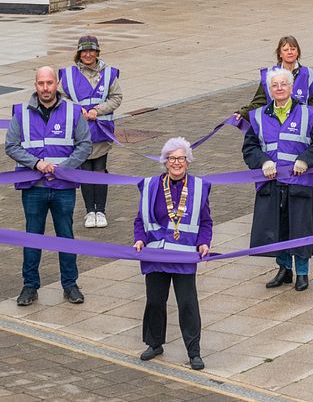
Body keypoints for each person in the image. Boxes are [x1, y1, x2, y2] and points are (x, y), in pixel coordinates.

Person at [5, 66, 92, 306]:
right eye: (41, 83)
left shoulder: (73, 112)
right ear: (35, 85)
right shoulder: (21, 113)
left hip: (63, 186)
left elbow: (85, 145)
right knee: (33, 236)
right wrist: (36, 164)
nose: (45, 88)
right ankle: (30, 286)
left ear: (56, 85)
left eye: (50, 83)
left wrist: (63, 167)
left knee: (66, 236)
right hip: (33, 187)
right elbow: (11, 146)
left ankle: (70, 284)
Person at [242, 68, 313, 291]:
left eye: (283, 84)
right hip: (271, 184)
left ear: (291, 88)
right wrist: (262, 162)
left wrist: (306, 159)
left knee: (300, 228)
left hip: (299, 183)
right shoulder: (259, 116)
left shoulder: (308, 114)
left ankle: (302, 272)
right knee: (277, 227)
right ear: (269, 91)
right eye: (275, 86)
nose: (279, 89)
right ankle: (283, 268)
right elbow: (249, 147)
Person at [133, 137, 212, 370]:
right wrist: (139, 239)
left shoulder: (198, 187)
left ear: (187, 162)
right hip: (156, 254)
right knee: (155, 301)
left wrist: (204, 243)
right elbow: (140, 220)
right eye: (172, 158)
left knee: (187, 303)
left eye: (181, 158)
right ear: (165, 162)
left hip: (184, 256)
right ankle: (154, 343)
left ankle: (194, 351)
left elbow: (205, 221)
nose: (176, 162)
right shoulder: (151, 186)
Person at [58, 35, 123, 228]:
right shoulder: (68, 74)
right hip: (79, 133)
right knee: (85, 171)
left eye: (91, 51)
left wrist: (97, 110)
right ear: (78, 53)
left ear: (97, 52)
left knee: (100, 171)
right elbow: (61, 98)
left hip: (102, 132)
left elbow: (116, 98)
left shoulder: (109, 73)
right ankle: (90, 212)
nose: (88, 54)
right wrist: (78, 110)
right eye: (84, 51)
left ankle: (100, 210)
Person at [237, 35, 313, 120]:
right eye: (286, 50)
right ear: (280, 54)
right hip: (275, 123)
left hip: (299, 126)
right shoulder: (270, 75)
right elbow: (259, 102)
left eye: (293, 49)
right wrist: (243, 113)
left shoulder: (308, 75)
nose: (290, 52)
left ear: (298, 52)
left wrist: (311, 118)